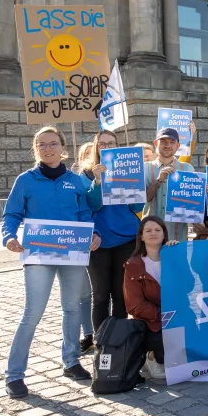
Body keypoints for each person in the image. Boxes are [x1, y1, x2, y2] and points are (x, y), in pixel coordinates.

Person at [2, 127, 102, 399]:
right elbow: (11, 214)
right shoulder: (26, 180)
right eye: (42, 144)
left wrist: (92, 233)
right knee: (32, 313)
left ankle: (71, 361)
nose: (48, 148)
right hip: (38, 254)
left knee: (72, 308)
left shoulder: (76, 181)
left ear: (63, 147)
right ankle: (14, 374)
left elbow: (84, 213)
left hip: (72, 252)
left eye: (53, 143)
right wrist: (9, 236)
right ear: (36, 149)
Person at [81, 130, 145, 343]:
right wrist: (98, 182)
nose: (107, 147)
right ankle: (101, 341)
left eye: (111, 143)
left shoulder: (127, 170)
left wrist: (136, 185)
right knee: (100, 295)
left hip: (126, 239)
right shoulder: (86, 174)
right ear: (96, 147)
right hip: (98, 242)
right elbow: (92, 205)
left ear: (117, 146)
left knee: (120, 293)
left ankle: (118, 341)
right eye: (102, 144)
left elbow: (137, 207)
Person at [124, 216, 180, 381]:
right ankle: (151, 356)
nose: (153, 233)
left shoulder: (174, 257)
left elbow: (189, 285)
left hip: (176, 315)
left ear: (164, 234)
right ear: (141, 236)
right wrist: (164, 315)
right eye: (148, 230)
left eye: (157, 230)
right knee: (162, 344)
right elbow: (134, 306)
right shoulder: (133, 265)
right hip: (151, 321)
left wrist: (179, 255)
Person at [143, 127, 195, 242]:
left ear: (178, 145)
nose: (168, 145)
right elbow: (144, 198)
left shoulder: (187, 169)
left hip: (177, 234)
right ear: (156, 143)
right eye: (163, 142)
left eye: (172, 142)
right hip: (151, 235)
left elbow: (192, 202)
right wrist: (159, 180)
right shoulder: (145, 168)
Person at [72, 143, 96, 353]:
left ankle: (102, 331)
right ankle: (87, 334)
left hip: (100, 238)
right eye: (86, 154)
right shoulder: (75, 180)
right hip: (79, 241)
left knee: (100, 293)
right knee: (84, 293)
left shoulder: (108, 176)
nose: (91, 156)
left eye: (92, 153)